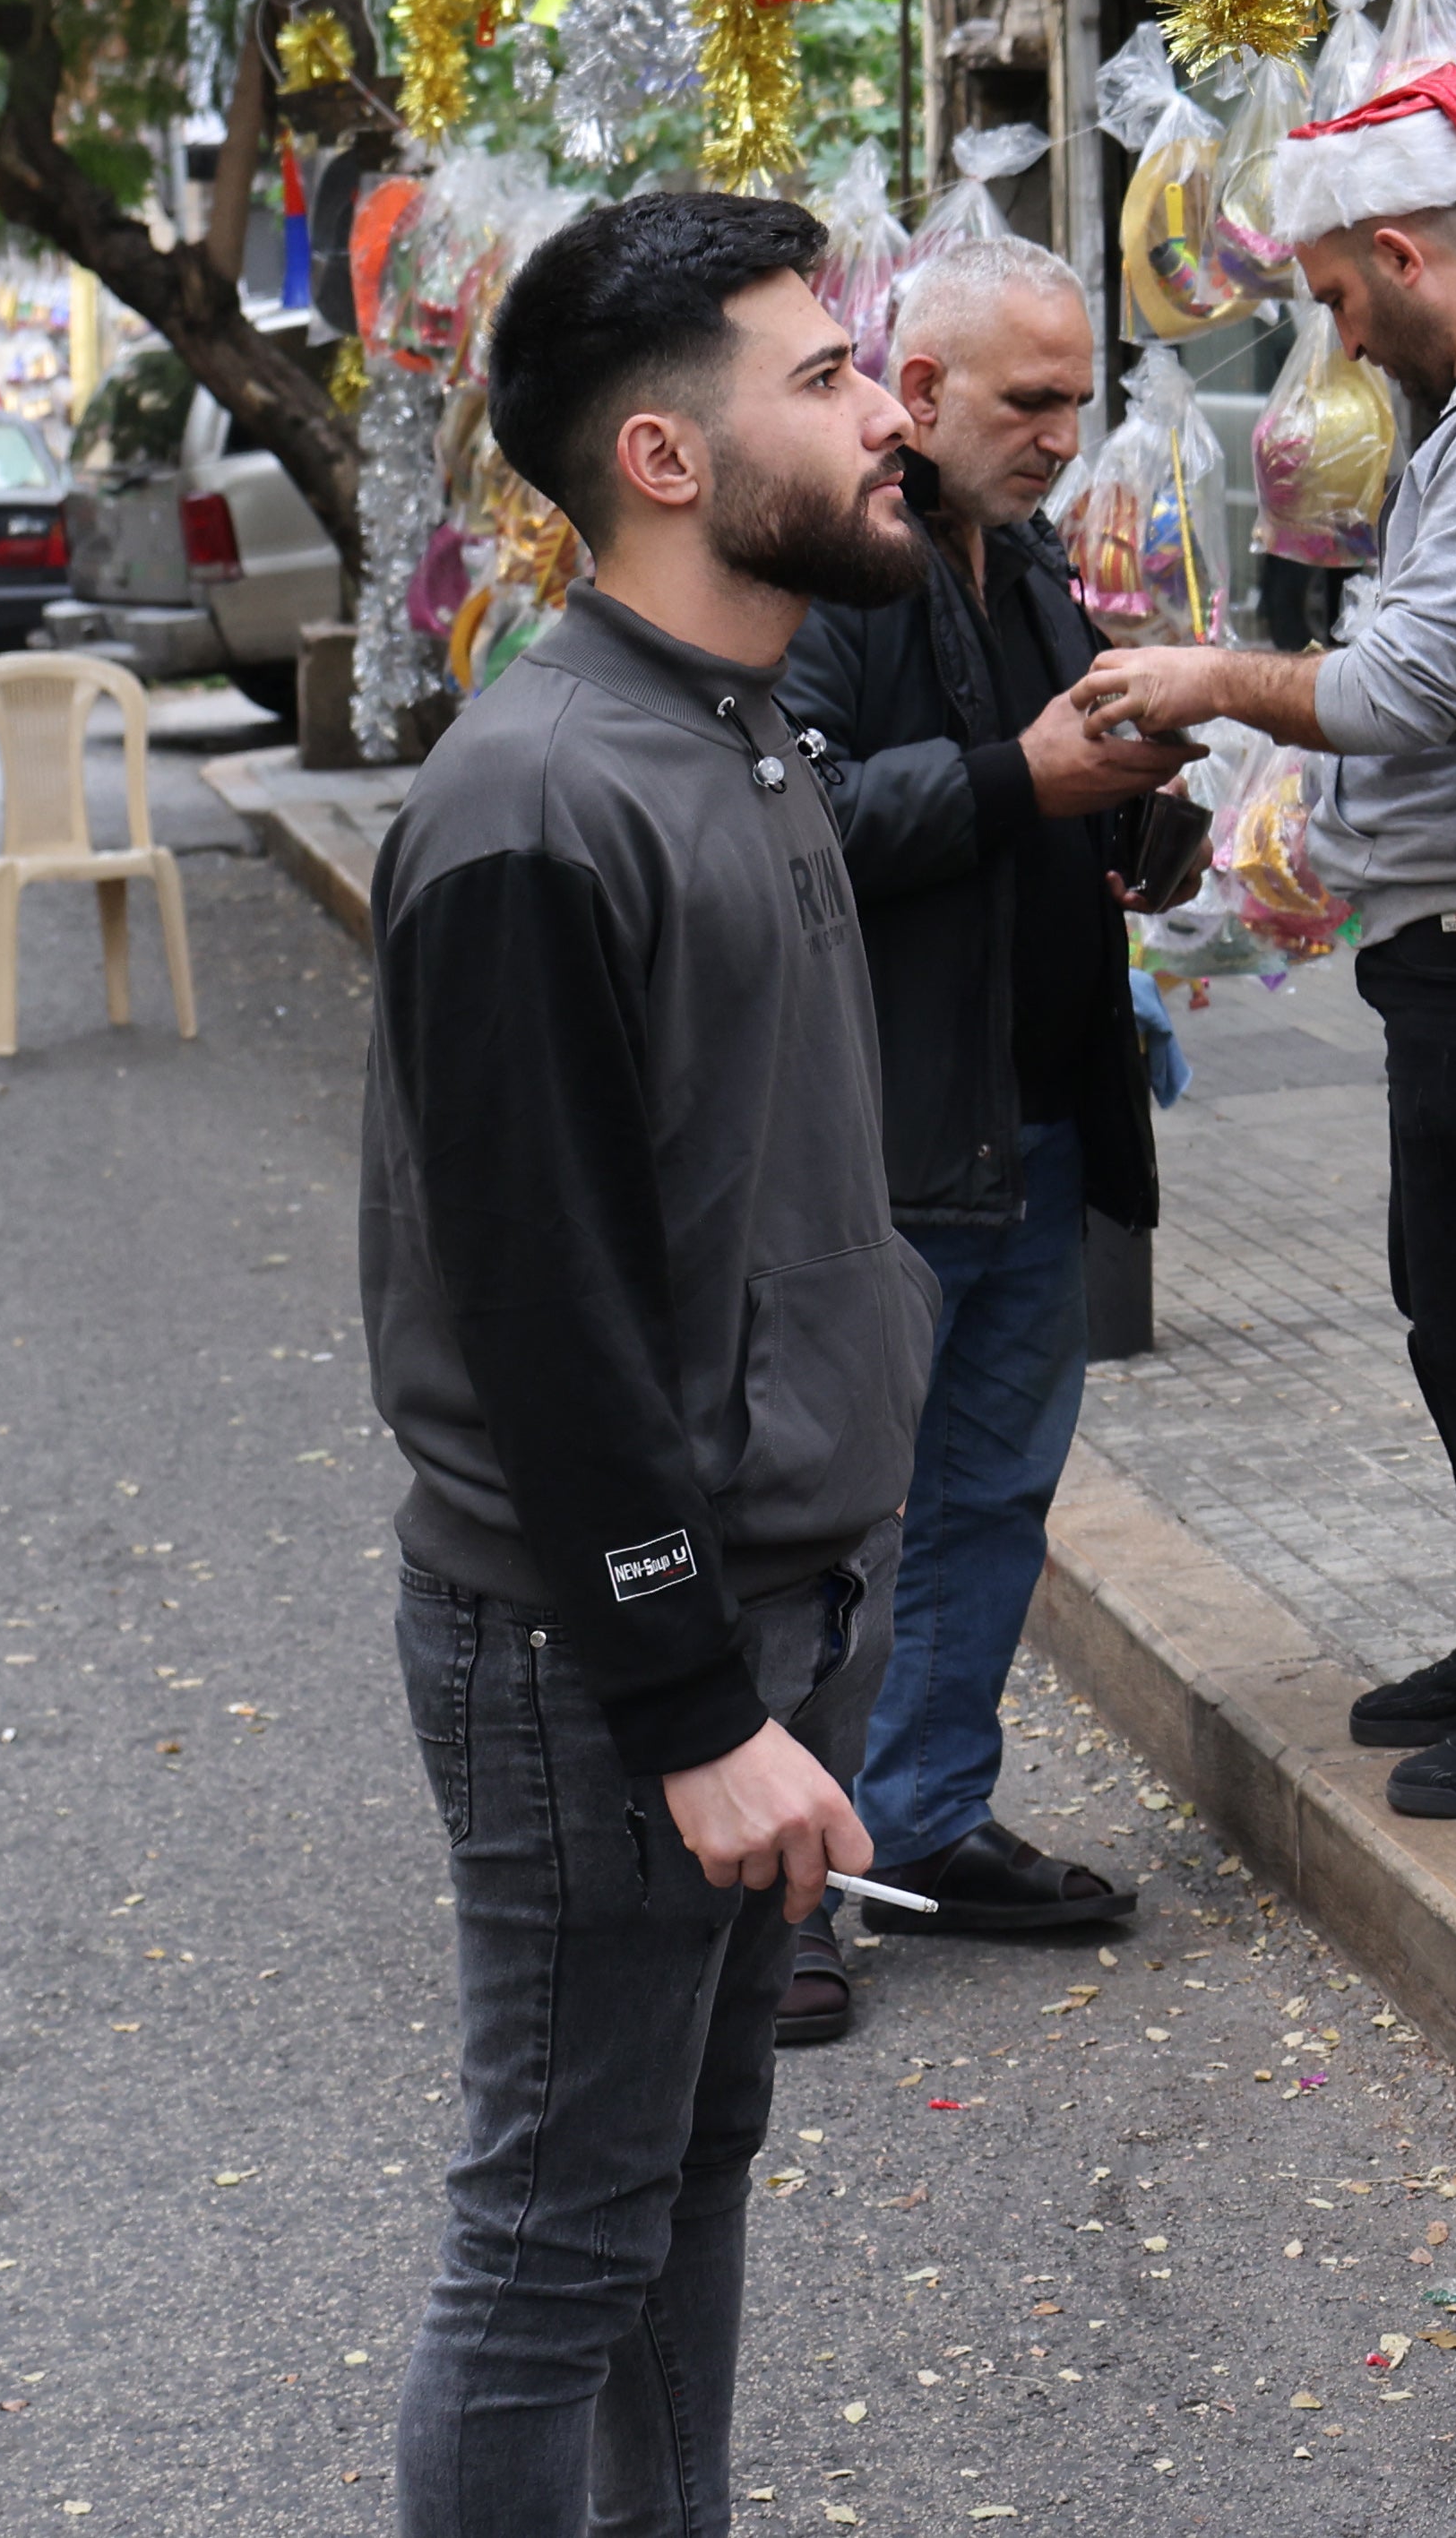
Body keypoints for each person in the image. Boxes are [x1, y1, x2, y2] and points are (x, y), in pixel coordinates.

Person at [359, 190, 939, 2530]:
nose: (881, 408)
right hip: (605, 1648)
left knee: (679, 2173)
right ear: (664, 459)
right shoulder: (535, 799)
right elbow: (541, 1312)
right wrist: (690, 1706)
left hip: (764, 1597)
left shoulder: (743, 731)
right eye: (824, 378)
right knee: (553, 2225)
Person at [1073, 68, 1456, 1820]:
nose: (1338, 339)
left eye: (1340, 297)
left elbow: (1406, 688)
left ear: (1405, 251)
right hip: (1446, 925)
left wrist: (1210, 680)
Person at [780, 236, 1202, 2039]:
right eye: (1029, 400)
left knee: (986, 1503)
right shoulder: (831, 577)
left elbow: (1063, 782)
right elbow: (783, 817)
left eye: (1074, 397)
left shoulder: (1027, 567)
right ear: (920, 390)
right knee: (824, 1531)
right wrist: (1022, 780)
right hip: (878, 1141)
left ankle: (925, 1827)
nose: (1061, 433)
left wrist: (1150, 827)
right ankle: (783, 1880)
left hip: (1030, 1131)